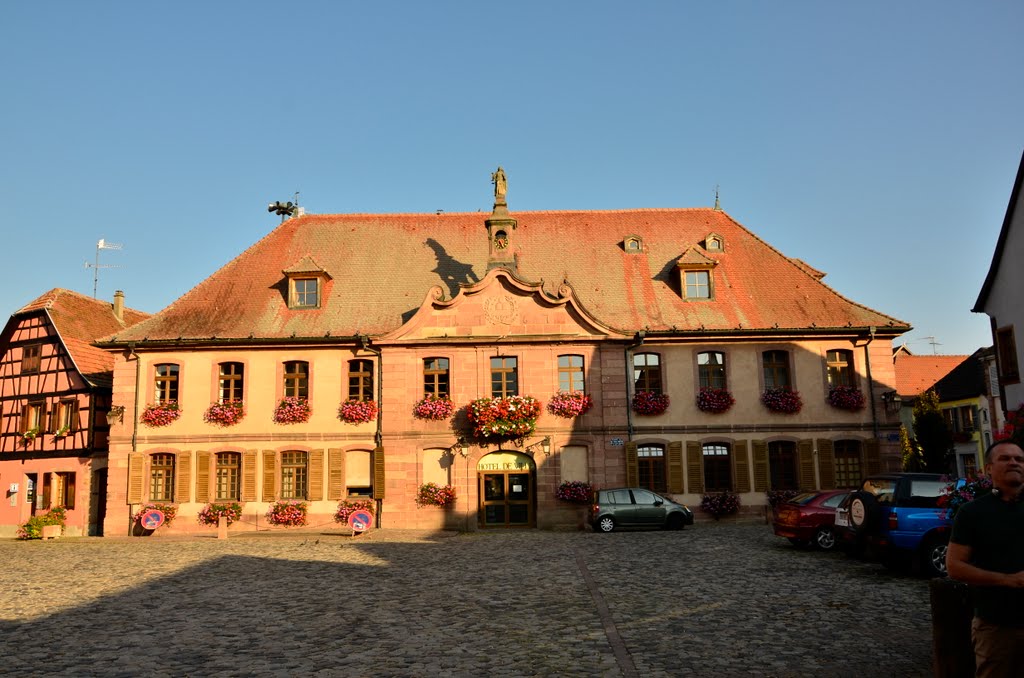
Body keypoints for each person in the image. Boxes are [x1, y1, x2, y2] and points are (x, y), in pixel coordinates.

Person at [947, 439, 1024, 676]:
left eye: (1019, 459)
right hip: (997, 625)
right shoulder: (973, 513)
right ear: (989, 468)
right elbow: (955, 566)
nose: (1014, 462)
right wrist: (1009, 580)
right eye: (1005, 458)